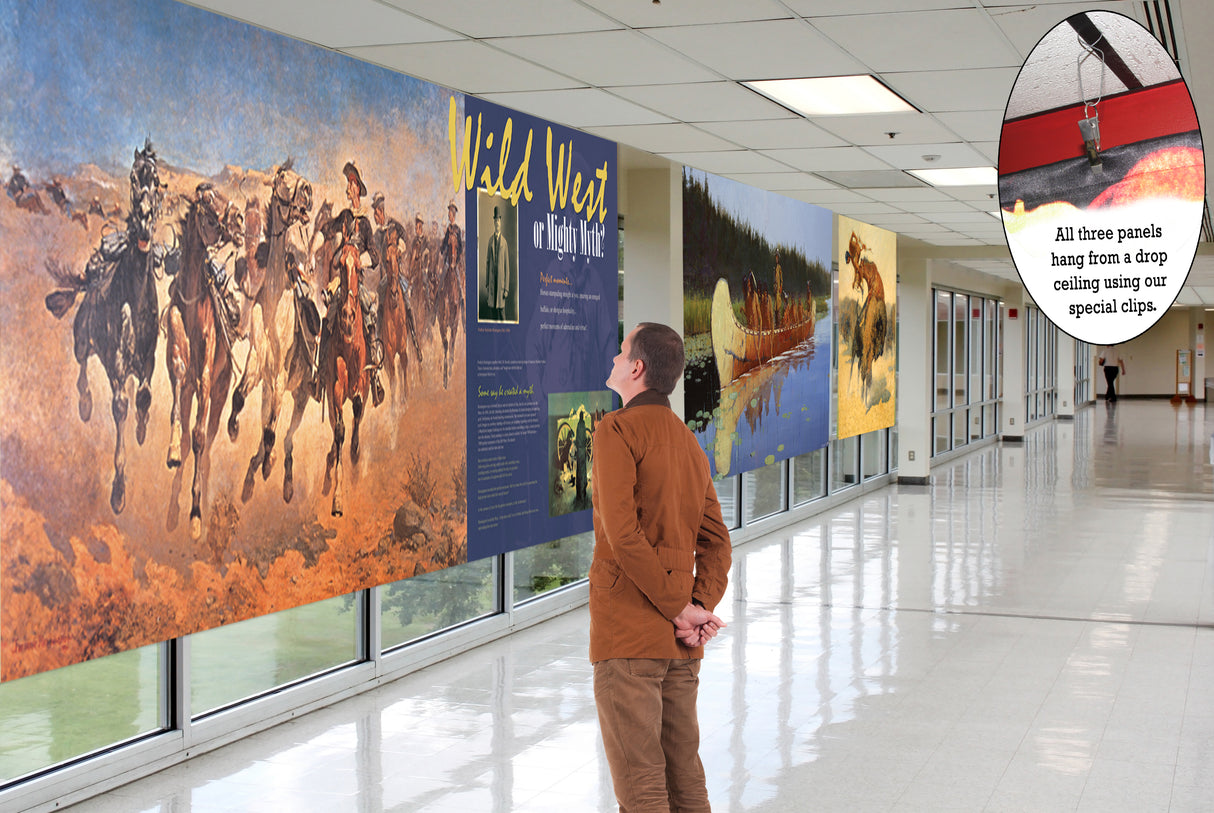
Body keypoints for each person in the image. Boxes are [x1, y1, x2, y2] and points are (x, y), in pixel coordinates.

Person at [590, 322, 732, 812]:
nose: (613, 358)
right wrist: (697, 606)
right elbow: (717, 543)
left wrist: (679, 609)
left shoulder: (616, 430)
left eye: (621, 350)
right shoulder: (688, 443)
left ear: (637, 367)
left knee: (641, 783)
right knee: (684, 775)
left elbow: (621, 535)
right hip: (680, 646)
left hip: (629, 634)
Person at [483, 205, 509, 321]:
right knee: (493, 314)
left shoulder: (504, 243)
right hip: (493, 285)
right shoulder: (490, 241)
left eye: (499, 220)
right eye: (495, 220)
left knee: (502, 314)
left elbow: (507, 268)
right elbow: (487, 263)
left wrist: (506, 289)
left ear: (501, 222)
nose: (497, 223)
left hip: (501, 287)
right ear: (493, 222)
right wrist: (487, 284)